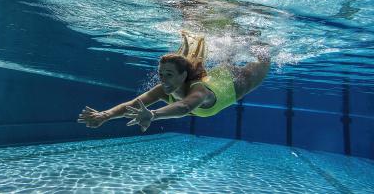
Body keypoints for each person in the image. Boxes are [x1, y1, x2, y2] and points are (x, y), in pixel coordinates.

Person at [78, 31, 270, 132]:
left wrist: (152, 114)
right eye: (161, 74)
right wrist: (105, 115)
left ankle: (252, 38)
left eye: (168, 74)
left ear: (183, 76)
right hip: (217, 75)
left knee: (264, 59)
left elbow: (184, 107)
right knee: (228, 58)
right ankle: (233, 46)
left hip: (235, 84)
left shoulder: (199, 91)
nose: (163, 80)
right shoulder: (163, 89)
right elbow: (131, 105)